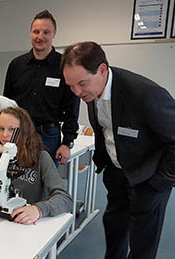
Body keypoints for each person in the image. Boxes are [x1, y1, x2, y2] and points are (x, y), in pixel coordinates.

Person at [61, 41, 175, 259]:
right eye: (71, 86)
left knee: (142, 243)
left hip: (148, 179)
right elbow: (107, 130)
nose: (76, 92)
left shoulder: (146, 95)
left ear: (102, 70)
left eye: (81, 84)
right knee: (114, 232)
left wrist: (159, 182)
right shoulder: (90, 91)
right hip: (117, 175)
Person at [0, 106, 72, 224]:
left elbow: (65, 199)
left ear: (24, 131)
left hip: (27, 220)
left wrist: (39, 209)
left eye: (12, 129)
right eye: (1, 129)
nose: (4, 135)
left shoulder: (41, 157)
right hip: (0, 219)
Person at [3, 10, 79, 165]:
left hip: (49, 136)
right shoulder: (16, 65)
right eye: (36, 31)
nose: (40, 37)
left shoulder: (64, 65)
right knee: (14, 179)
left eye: (46, 32)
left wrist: (67, 143)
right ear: (30, 33)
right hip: (19, 133)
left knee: (45, 183)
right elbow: (7, 104)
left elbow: (72, 108)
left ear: (54, 34)